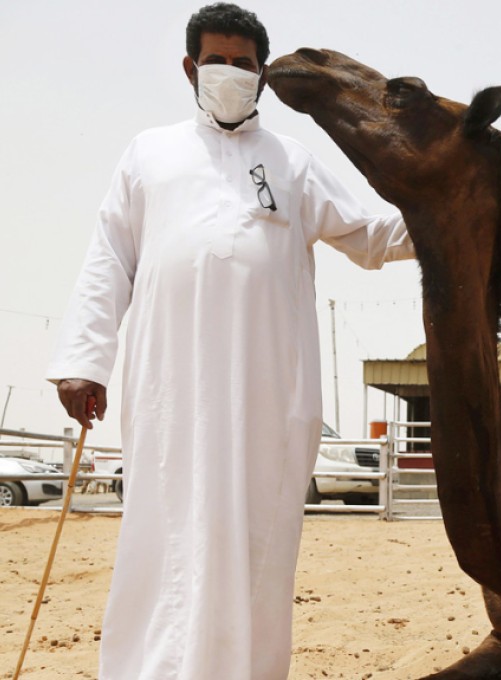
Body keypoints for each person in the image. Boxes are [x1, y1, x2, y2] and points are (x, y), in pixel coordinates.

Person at [46, 4, 415, 679]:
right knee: (163, 540)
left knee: (255, 548)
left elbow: (370, 235)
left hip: (267, 401)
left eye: (244, 65)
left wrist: (450, 215)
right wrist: (83, 359)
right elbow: (109, 260)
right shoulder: (148, 155)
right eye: (217, 61)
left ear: (263, 76)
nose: (230, 74)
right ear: (191, 68)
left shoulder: (292, 163)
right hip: (169, 395)